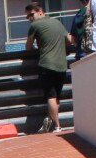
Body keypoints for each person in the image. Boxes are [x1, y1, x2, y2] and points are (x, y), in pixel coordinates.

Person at [26, 3, 70, 133]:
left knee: (50, 96)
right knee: (56, 97)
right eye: (28, 17)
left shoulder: (34, 26)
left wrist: (39, 49)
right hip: (62, 65)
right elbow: (68, 40)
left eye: (31, 15)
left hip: (46, 64)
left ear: (40, 11)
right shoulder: (57, 22)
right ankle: (50, 120)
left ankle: (57, 126)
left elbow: (28, 47)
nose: (30, 18)